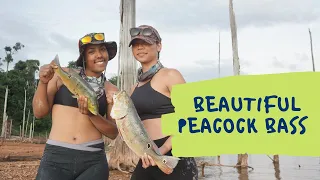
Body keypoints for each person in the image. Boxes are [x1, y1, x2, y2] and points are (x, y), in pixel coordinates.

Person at [32, 32, 119, 180]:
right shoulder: (62, 75)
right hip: (56, 157)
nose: (99, 55)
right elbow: (39, 112)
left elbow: (113, 132)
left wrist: (92, 114)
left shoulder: (112, 90)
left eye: (102, 50)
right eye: (91, 52)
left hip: (93, 161)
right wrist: (43, 82)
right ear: (83, 57)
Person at [128, 25, 199, 180]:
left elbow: (191, 117)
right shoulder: (134, 88)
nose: (140, 47)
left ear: (159, 45)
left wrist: (164, 148)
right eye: (135, 44)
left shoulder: (170, 75)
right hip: (149, 155)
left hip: (174, 152)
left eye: (146, 43)